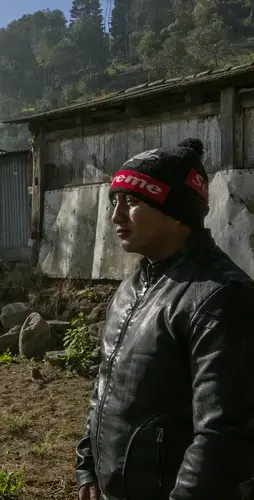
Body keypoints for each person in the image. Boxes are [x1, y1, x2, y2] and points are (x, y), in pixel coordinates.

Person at [75, 138, 254, 500]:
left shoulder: (222, 296)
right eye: (115, 201)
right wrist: (89, 465)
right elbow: (106, 385)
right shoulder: (133, 285)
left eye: (133, 201)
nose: (115, 215)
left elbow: (222, 433)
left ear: (178, 213)